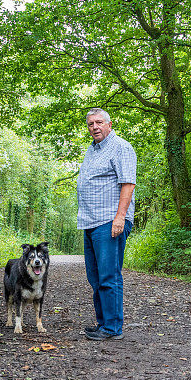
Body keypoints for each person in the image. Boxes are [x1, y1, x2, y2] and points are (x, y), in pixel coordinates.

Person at [77, 108, 136, 341]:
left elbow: (128, 184)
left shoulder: (121, 147)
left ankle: (113, 328)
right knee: (95, 276)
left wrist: (120, 218)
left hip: (109, 221)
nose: (95, 127)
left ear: (109, 124)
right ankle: (103, 323)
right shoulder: (92, 150)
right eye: (91, 124)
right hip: (90, 222)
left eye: (99, 122)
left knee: (109, 276)